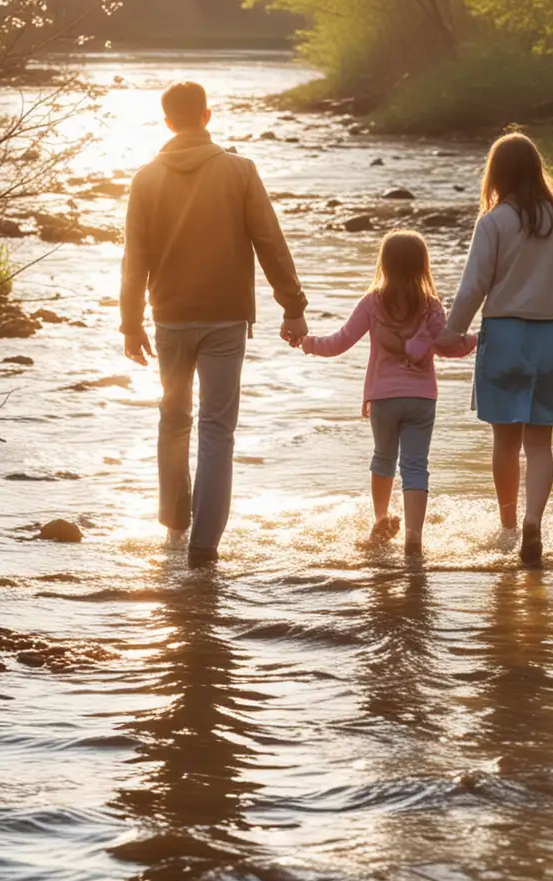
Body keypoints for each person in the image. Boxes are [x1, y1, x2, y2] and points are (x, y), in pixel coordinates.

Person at [119, 80, 308, 567]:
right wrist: (293, 306)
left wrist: (130, 323)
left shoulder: (145, 178)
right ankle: (204, 546)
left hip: (169, 320)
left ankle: (173, 526)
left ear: (167, 122)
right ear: (207, 115)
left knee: (172, 420)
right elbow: (269, 240)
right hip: (225, 318)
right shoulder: (239, 171)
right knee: (217, 430)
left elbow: (133, 258)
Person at [436, 132, 553, 568]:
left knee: (504, 441)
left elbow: (474, 284)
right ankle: (535, 520)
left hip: (505, 336)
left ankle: (509, 525)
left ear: (496, 174)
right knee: (540, 445)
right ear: (537, 170)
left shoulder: (493, 222)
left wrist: (450, 332)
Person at [300, 229, 475, 557]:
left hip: (383, 398)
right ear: (423, 266)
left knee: (383, 458)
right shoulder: (432, 307)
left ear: (385, 264)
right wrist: (477, 339)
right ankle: (413, 538)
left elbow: (340, 342)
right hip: (422, 398)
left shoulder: (372, 302)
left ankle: (381, 521)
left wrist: (308, 343)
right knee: (415, 465)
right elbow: (448, 348)